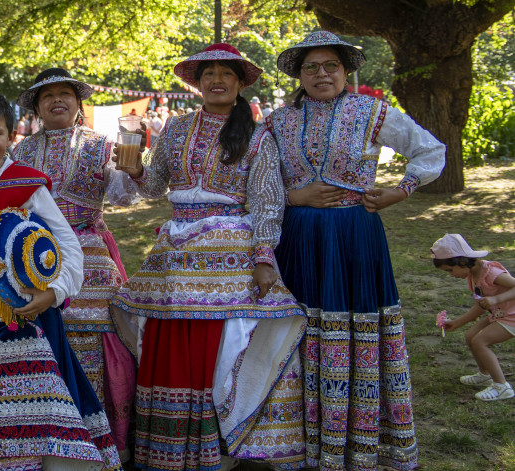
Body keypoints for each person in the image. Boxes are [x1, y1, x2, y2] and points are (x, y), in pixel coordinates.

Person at [110, 43, 307, 471]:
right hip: (175, 249)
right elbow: (155, 187)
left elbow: (267, 202)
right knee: (166, 340)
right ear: (197, 84)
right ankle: (169, 445)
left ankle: (220, 442)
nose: (217, 80)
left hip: (229, 248)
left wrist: (262, 257)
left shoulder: (257, 136)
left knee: (223, 346)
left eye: (226, 74)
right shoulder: (177, 129)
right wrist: (136, 171)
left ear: (239, 84)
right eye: (208, 74)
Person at [265, 31, 446, 471]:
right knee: (300, 330)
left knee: (354, 328)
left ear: (346, 72)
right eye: (312, 67)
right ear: (299, 74)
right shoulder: (276, 121)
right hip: (299, 236)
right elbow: (258, 183)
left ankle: (359, 439)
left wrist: (400, 190)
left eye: (331, 66)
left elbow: (430, 150)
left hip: (354, 235)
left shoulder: (372, 112)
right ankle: (298, 440)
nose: (321, 74)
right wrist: (295, 197)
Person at [0, 90, 123, 470]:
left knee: (31, 413)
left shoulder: (27, 184)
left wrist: (54, 293)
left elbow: (69, 245)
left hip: (20, 316)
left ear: (11, 135)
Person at [12, 67, 139, 458]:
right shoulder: (20, 151)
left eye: (65, 93)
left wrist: (132, 169)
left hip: (91, 255)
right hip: (36, 257)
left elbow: (123, 198)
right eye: (47, 95)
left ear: (78, 102)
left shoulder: (102, 145)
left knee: (100, 340)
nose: (57, 101)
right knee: (41, 339)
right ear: (36, 106)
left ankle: (105, 443)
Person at [431, 234, 515, 401]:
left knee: (480, 341)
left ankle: (502, 387)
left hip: (511, 316)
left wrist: (495, 299)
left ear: (461, 262)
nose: (451, 275)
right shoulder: (472, 278)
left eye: (450, 270)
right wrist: (457, 322)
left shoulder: (491, 273)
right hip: (498, 314)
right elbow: (480, 306)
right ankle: (485, 374)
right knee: (470, 336)